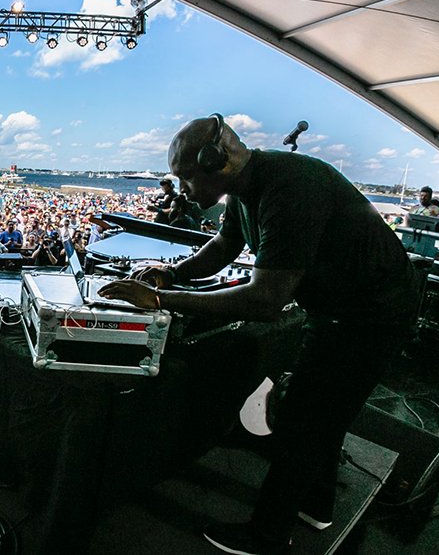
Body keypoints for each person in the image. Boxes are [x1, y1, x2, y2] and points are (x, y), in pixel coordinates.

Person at [98, 114, 415, 555]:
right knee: (323, 410)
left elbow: (263, 301)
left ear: (216, 163)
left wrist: (159, 301)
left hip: (373, 315)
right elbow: (225, 246)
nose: (183, 190)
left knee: (306, 419)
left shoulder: (292, 188)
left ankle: (267, 537)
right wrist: (170, 275)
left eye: (185, 178)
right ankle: (316, 504)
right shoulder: (246, 189)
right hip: (340, 309)